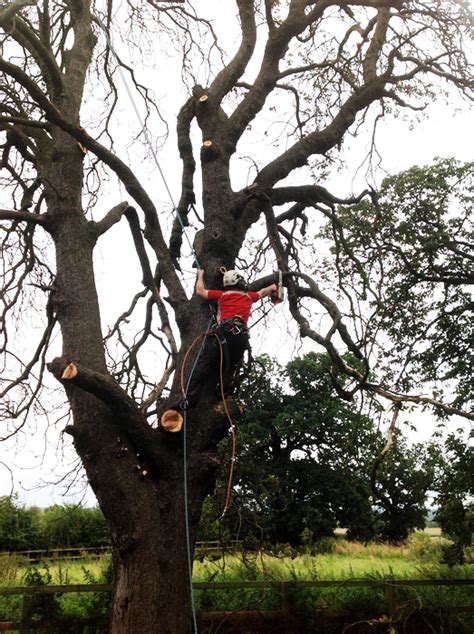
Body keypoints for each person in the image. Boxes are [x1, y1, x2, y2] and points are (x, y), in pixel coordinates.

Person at [183, 268, 278, 408]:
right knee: (230, 368)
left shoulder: (222, 295)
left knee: (203, 365)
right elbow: (263, 292)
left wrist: (200, 275)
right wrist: (274, 287)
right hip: (241, 337)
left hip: (223, 333)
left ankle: (190, 399)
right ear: (239, 281)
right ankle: (221, 395)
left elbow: (200, 291)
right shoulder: (248, 296)